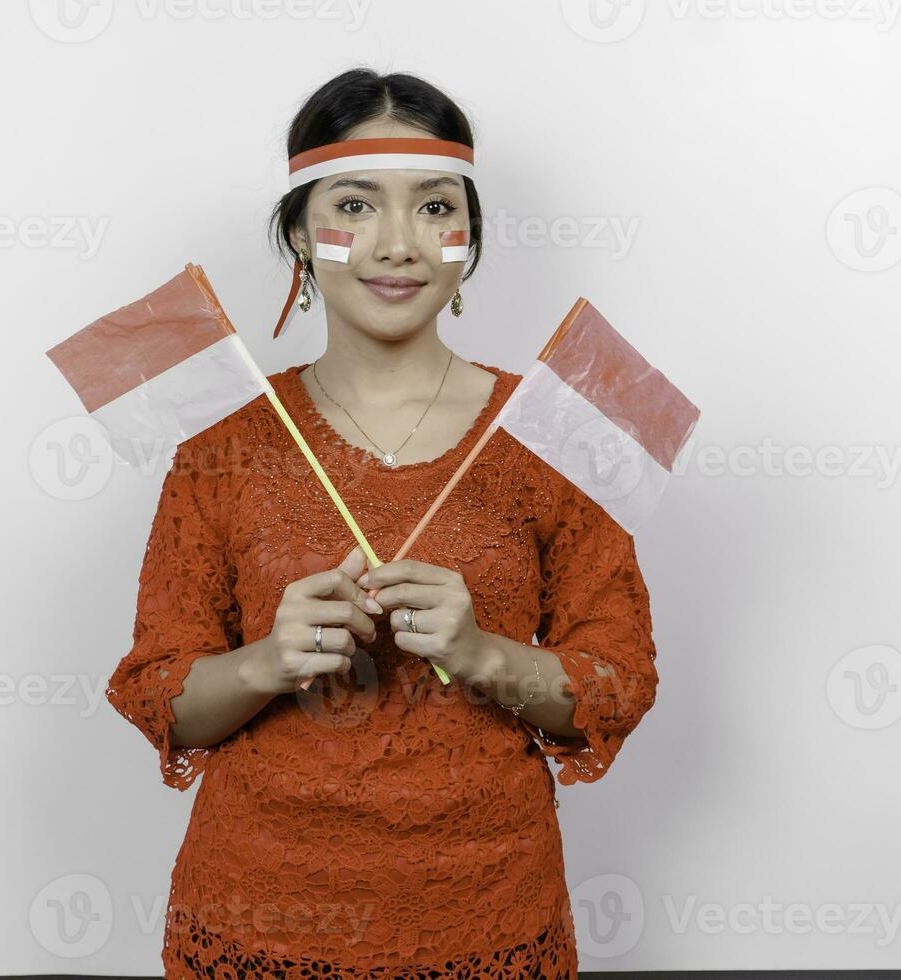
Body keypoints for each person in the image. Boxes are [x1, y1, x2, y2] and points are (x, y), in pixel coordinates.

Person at [106, 67, 661, 979]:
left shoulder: (558, 437)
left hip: (491, 919)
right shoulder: (222, 448)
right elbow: (163, 698)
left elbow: (618, 683)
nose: (396, 244)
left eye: (434, 206)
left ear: (469, 237)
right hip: (256, 923)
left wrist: (485, 651)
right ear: (297, 233)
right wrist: (267, 662)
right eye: (355, 205)